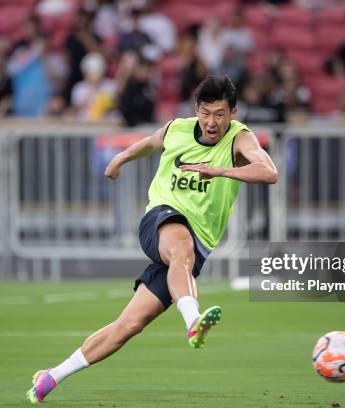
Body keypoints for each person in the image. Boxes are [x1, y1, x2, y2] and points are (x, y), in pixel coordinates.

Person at [26, 76, 278, 403]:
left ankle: (52, 376)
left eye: (219, 114)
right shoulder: (178, 129)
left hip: (192, 250)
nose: (211, 122)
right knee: (181, 245)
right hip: (160, 219)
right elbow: (148, 143)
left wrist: (218, 171)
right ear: (196, 110)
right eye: (205, 113)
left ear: (233, 112)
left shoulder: (239, 139)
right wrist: (119, 159)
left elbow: (269, 172)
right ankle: (193, 321)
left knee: (129, 324)